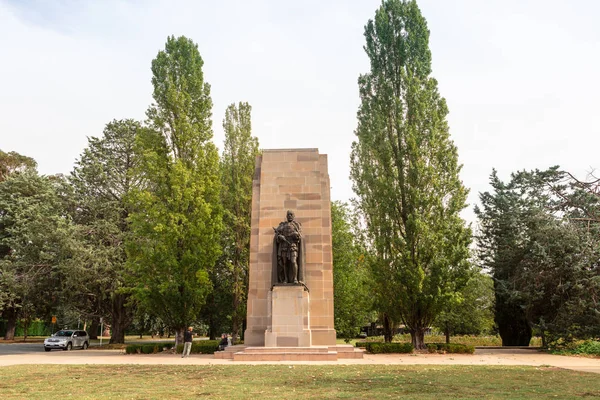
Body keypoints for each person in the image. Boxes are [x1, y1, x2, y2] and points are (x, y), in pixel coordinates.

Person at [273, 210, 304, 284]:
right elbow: (277, 235)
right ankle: (285, 279)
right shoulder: (282, 225)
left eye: (291, 214)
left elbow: (299, 236)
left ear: (293, 216)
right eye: (288, 214)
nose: (289, 216)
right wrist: (279, 236)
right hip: (284, 245)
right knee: (284, 263)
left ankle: (295, 278)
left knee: (293, 261)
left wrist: (296, 235)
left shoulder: (296, 225)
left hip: (292, 245)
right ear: (286, 216)